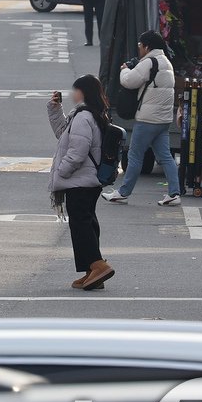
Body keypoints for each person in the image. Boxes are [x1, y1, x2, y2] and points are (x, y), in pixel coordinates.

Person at [48, 75, 114, 291]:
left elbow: (77, 152)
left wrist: (62, 171)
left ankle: (97, 265)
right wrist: (55, 108)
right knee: (86, 222)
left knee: (81, 224)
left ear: (83, 92)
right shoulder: (86, 114)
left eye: (75, 90)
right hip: (86, 180)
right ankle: (92, 272)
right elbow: (62, 134)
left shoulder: (84, 117)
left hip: (80, 180)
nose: (72, 93)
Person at [104, 30, 181, 206]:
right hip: (163, 120)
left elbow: (129, 81)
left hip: (148, 119)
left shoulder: (149, 62)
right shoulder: (166, 62)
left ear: (147, 46)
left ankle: (123, 193)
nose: (139, 49)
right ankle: (174, 193)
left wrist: (124, 70)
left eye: (140, 46)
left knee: (135, 156)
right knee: (166, 157)